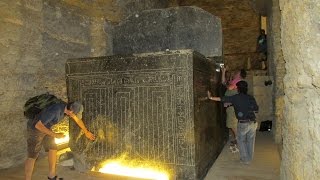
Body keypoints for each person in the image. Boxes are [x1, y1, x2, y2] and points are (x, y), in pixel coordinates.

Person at [25, 101, 95, 180]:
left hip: (46, 127)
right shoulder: (55, 110)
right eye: (74, 114)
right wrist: (55, 135)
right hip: (35, 129)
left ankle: (52, 176)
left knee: (53, 148)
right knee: (33, 155)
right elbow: (38, 125)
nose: (74, 116)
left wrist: (86, 132)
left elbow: (78, 120)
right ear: (71, 111)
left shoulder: (67, 108)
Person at [208, 81, 259, 165]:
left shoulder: (235, 97)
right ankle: (249, 158)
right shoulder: (251, 97)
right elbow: (256, 110)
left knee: (241, 141)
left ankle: (245, 160)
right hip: (253, 123)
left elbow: (222, 99)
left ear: (238, 89)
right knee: (250, 141)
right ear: (246, 89)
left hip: (243, 123)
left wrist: (211, 97)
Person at [221, 67, 247, 147]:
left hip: (232, 106)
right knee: (232, 123)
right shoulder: (234, 81)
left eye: (237, 72)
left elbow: (229, 87)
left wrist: (228, 82)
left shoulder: (238, 81)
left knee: (233, 123)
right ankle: (237, 138)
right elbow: (223, 83)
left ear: (239, 74)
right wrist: (223, 72)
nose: (235, 72)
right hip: (230, 106)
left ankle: (238, 139)